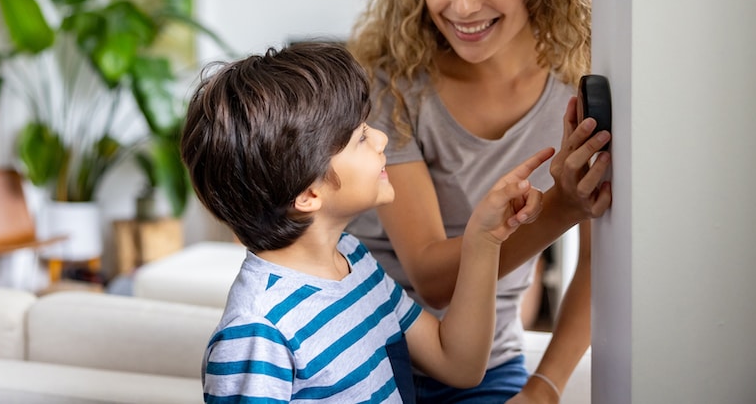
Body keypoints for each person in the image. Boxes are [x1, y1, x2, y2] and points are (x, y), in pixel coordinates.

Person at [346, 0, 613, 403]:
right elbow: (433, 278)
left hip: (488, 364)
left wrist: (545, 387)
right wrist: (562, 205)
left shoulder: (580, 87)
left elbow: (599, 261)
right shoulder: (391, 85)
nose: (462, 6)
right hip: (365, 356)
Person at [180, 41, 555, 403]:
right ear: (309, 194)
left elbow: (458, 365)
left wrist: (484, 239)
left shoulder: (352, 259)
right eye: (360, 137)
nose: (381, 137)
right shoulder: (257, 332)